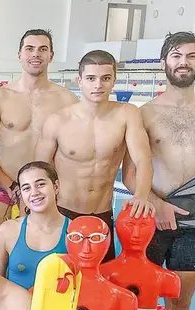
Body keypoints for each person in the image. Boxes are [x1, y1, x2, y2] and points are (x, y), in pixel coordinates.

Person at [121, 32, 195, 310]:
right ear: (164, 62)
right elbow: (129, 174)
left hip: (191, 227)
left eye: (191, 56)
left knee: (180, 303)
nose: (184, 62)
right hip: (148, 220)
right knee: (137, 302)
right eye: (177, 55)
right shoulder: (145, 113)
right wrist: (155, 203)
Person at [35, 49, 155, 262]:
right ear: (79, 80)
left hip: (102, 215)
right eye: (91, 78)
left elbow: (142, 159)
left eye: (105, 78)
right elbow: (39, 172)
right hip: (62, 214)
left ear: (114, 81)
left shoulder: (127, 114)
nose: (98, 85)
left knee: (101, 286)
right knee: (60, 283)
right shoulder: (58, 121)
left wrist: (141, 196)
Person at [0, 29, 79, 231]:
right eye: (29, 49)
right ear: (20, 55)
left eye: (42, 49)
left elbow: (74, 154)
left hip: (47, 193)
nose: (35, 54)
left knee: (46, 256)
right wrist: (12, 187)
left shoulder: (67, 101)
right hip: (5, 189)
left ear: (51, 56)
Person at [0, 161, 70, 293]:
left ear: (56, 186)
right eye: (26, 188)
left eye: (40, 184)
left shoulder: (74, 232)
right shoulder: (8, 230)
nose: (34, 193)